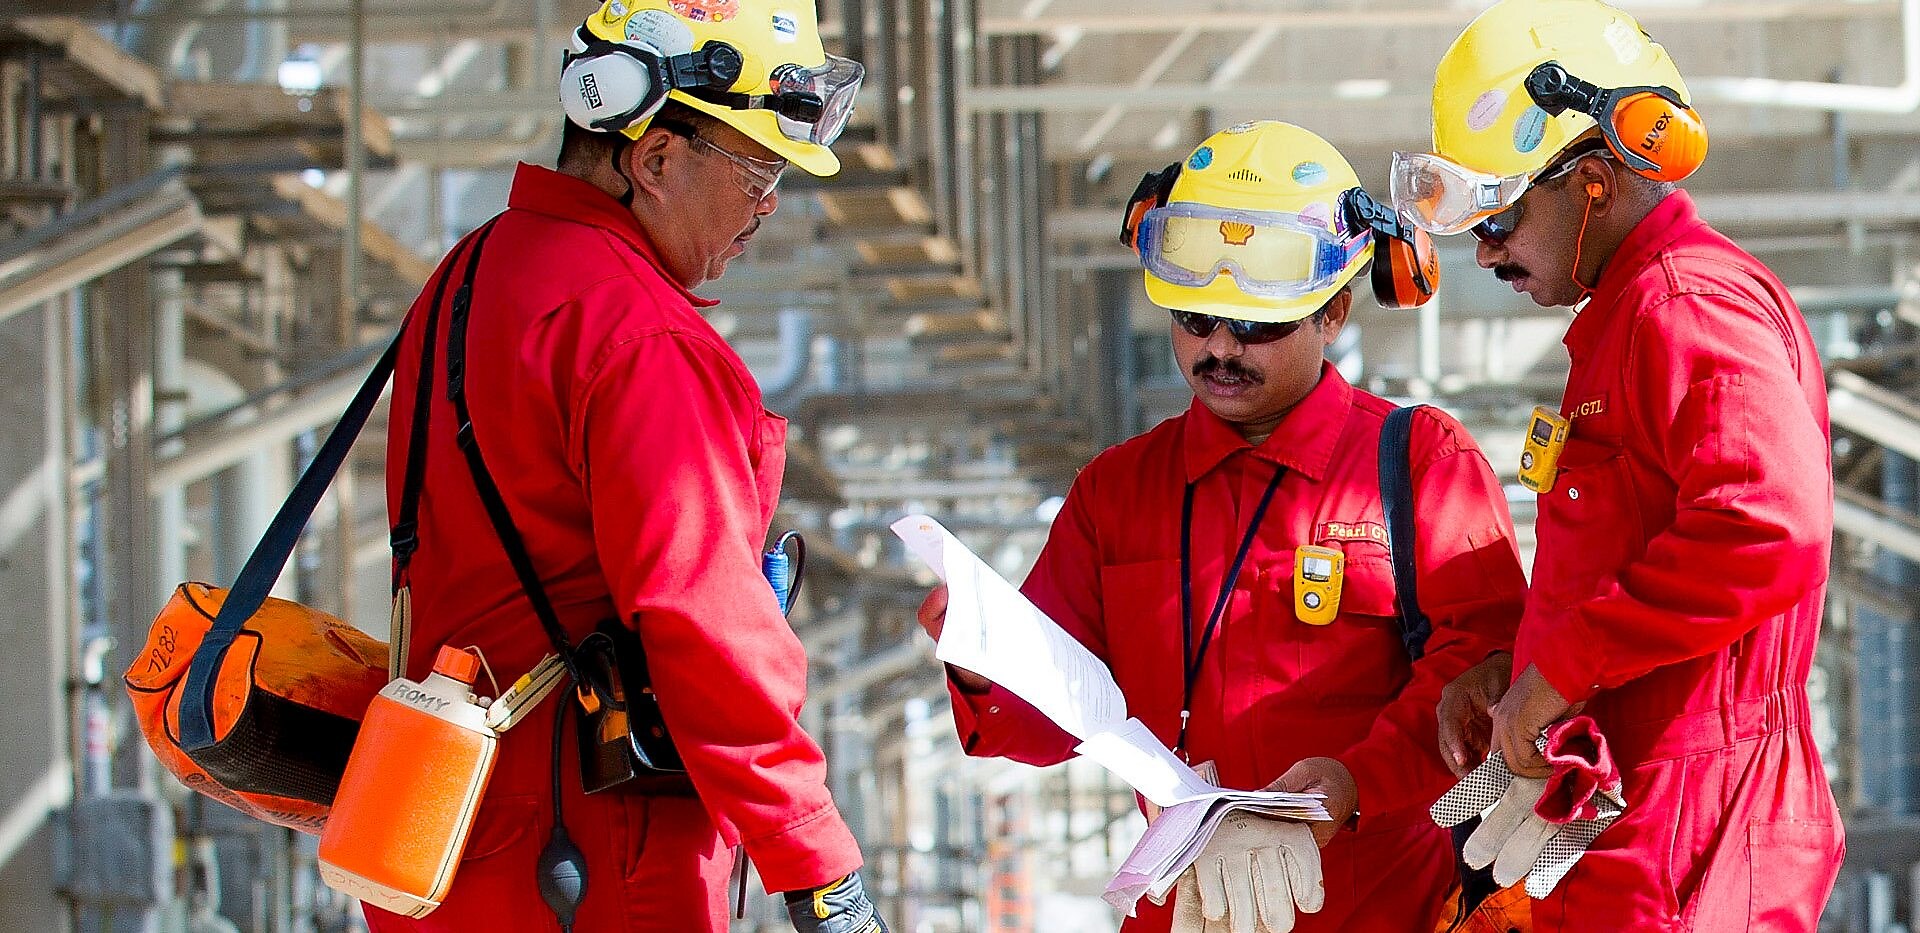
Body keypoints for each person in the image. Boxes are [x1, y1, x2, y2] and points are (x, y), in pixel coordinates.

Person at [919, 121, 1523, 933]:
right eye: (1196, 320)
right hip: (1190, 912)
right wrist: (979, 654)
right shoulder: (1117, 493)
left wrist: (1344, 787)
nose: (1222, 348)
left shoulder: (1417, 462)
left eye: (1259, 325)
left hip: (1386, 912)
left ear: (1335, 310)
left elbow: (1480, 677)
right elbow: (1045, 718)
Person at [375, 1, 882, 930]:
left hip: (443, 834)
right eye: (758, 169)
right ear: (653, 160)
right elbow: (701, 614)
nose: (769, 204)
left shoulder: (472, 273)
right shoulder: (636, 329)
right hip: (593, 852)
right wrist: (816, 863)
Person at [1391, 0, 1842, 928]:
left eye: (1503, 215)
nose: (1486, 250)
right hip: (1649, 820)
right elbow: (1637, 552)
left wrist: (1558, 672)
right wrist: (1520, 664)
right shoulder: (1633, 320)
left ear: (1592, 180)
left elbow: (1766, 526)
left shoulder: (1680, 307)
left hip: (1691, 831)